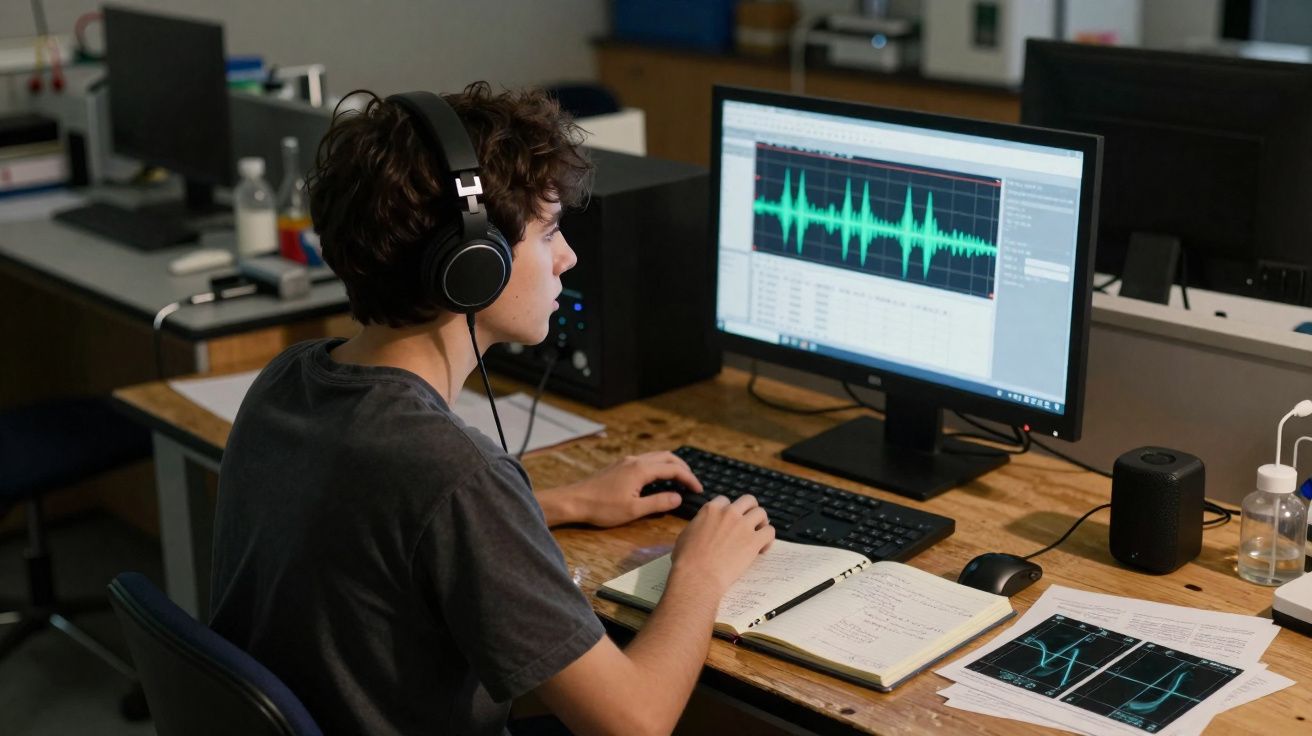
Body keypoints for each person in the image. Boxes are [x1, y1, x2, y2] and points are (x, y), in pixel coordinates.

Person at [209, 82, 775, 736]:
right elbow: (635, 722)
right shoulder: (453, 474)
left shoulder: (288, 379)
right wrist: (700, 572)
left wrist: (559, 503)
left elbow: (391, 531)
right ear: (473, 265)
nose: (569, 256)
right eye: (550, 232)